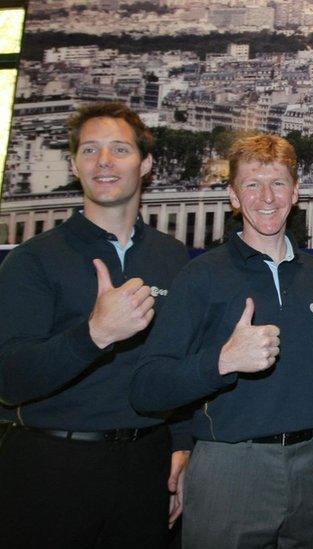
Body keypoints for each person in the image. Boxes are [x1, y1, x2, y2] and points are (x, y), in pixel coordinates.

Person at [130, 134, 313, 547]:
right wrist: (222, 361)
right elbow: (149, 387)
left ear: (296, 193)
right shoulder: (200, 276)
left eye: (277, 183)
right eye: (252, 184)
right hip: (231, 466)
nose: (266, 197)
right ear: (233, 197)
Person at [0, 102, 190, 547]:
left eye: (119, 149)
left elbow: (175, 364)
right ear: (74, 164)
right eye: (90, 150)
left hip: (146, 464)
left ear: (145, 165)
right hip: (51, 467)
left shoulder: (171, 256)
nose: (103, 162)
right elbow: (8, 378)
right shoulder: (33, 260)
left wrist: (180, 446)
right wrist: (95, 334)